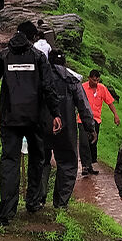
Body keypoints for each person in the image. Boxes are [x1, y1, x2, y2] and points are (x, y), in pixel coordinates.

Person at [0, 22, 62, 226]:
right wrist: (56, 113)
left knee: (9, 162)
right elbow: (48, 87)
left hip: (10, 118)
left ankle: (6, 213)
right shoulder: (38, 58)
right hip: (34, 119)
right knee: (37, 159)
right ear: (32, 38)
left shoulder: (4, 56)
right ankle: (32, 202)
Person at [32, 51, 97, 210]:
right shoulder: (72, 80)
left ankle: (38, 199)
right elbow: (83, 105)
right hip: (65, 129)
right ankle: (60, 203)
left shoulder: (39, 78)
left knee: (41, 161)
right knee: (67, 163)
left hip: (41, 127)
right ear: (65, 63)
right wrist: (90, 128)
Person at [78, 70, 119, 175]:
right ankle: (84, 167)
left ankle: (90, 165)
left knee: (92, 142)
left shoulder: (102, 88)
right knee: (84, 142)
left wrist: (115, 115)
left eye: (97, 80)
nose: (95, 82)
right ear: (89, 78)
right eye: (93, 80)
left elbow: (110, 102)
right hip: (82, 119)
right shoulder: (82, 87)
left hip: (95, 119)